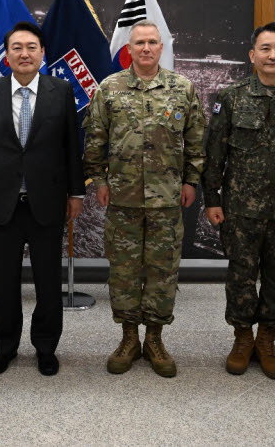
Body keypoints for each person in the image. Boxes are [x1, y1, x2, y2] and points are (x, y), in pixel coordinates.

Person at [84, 20, 206, 378]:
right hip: (122, 198)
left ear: (162, 47)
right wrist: (100, 180)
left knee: (162, 272)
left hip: (167, 199)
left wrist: (192, 181)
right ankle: (128, 338)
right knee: (123, 273)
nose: (147, 48)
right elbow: (95, 140)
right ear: (130, 47)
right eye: (140, 43)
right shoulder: (109, 88)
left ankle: (154, 338)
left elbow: (197, 141)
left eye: (153, 42)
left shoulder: (182, 88)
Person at [202, 22, 275, 379]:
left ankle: (267, 340)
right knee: (240, 276)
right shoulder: (231, 97)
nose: (272, 55)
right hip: (241, 209)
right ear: (253, 55)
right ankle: (242, 338)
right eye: (265, 49)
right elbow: (215, 155)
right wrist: (212, 199)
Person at [0, 21, 84, 377]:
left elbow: (70, 146)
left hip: (47, 200)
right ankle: (4, 347)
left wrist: (76, 192)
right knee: (4, 283)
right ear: (6, 55)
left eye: (31, 47)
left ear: (42, 53)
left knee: (48, 282)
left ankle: (45, 347)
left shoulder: (61, 90)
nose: (24, 53)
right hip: (2, 201)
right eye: (16, 47)